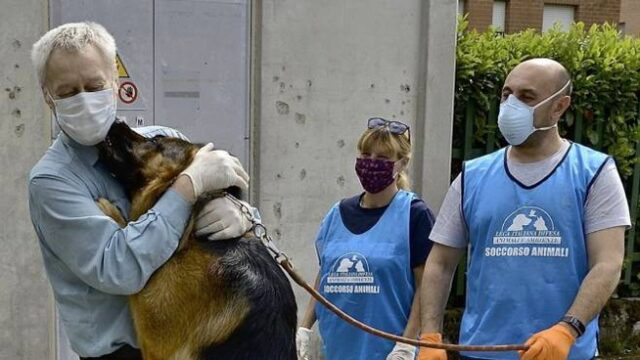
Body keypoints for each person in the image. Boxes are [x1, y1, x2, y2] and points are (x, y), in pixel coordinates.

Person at [28, 22, 255, 359]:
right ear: (48, 96)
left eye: (94, 85)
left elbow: (238, 230)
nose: (85, 100)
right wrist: (187, 187)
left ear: (116, 84)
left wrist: (241, 215)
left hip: (198, 344)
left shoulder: (160, 139)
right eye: (68, 92)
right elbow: (120, 269)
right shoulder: (52, 181)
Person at [417, 58, 630, 360]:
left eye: (526, 96)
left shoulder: (594, 172)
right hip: (481, 351)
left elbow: (608, 264)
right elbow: (439, 263)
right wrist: (429, 336)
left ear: (560, 106)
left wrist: (567, 330)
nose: (510, 105)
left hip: (563, 352)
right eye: (506, 94)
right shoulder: (472, 176)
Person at [296, 117, 436, 360]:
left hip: (388, 352)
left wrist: (407, 343)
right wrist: (305, 328)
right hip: (337, 349)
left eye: (382, 158)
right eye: (366, 154)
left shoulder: (414, 214)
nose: (371, 163)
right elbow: (325, 275)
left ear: (401, 163)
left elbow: (426, 286)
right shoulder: (337, 214)